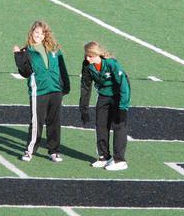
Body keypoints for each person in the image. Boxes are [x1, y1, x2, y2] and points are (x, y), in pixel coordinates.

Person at [13, 21, 70, 162]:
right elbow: (25, 72)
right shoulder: (27, 51)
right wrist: (17, 56)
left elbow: (62, 69)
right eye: (36, 32)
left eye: (42, 33)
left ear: (46, 35)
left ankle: (54, 151)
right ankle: (29, 151)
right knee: (36, 122)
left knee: (54, 122)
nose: (39, 35)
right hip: (38, 91)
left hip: (56, 90)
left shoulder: (54, 49)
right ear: (31, 33)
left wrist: (66, 87)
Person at [79, 41, 131, 171]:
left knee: (119, 125)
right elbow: (85, 86)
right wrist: (84, 109)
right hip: (103, 96)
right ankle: (104, 156)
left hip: (117, 96)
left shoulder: (111, 63)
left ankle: (120, 160)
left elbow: (123, 84)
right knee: (101, 125)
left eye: (90, 56)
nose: (87, 58)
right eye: (86, 55)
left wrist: (123, 107)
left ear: (97, 54)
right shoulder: (87, 65)